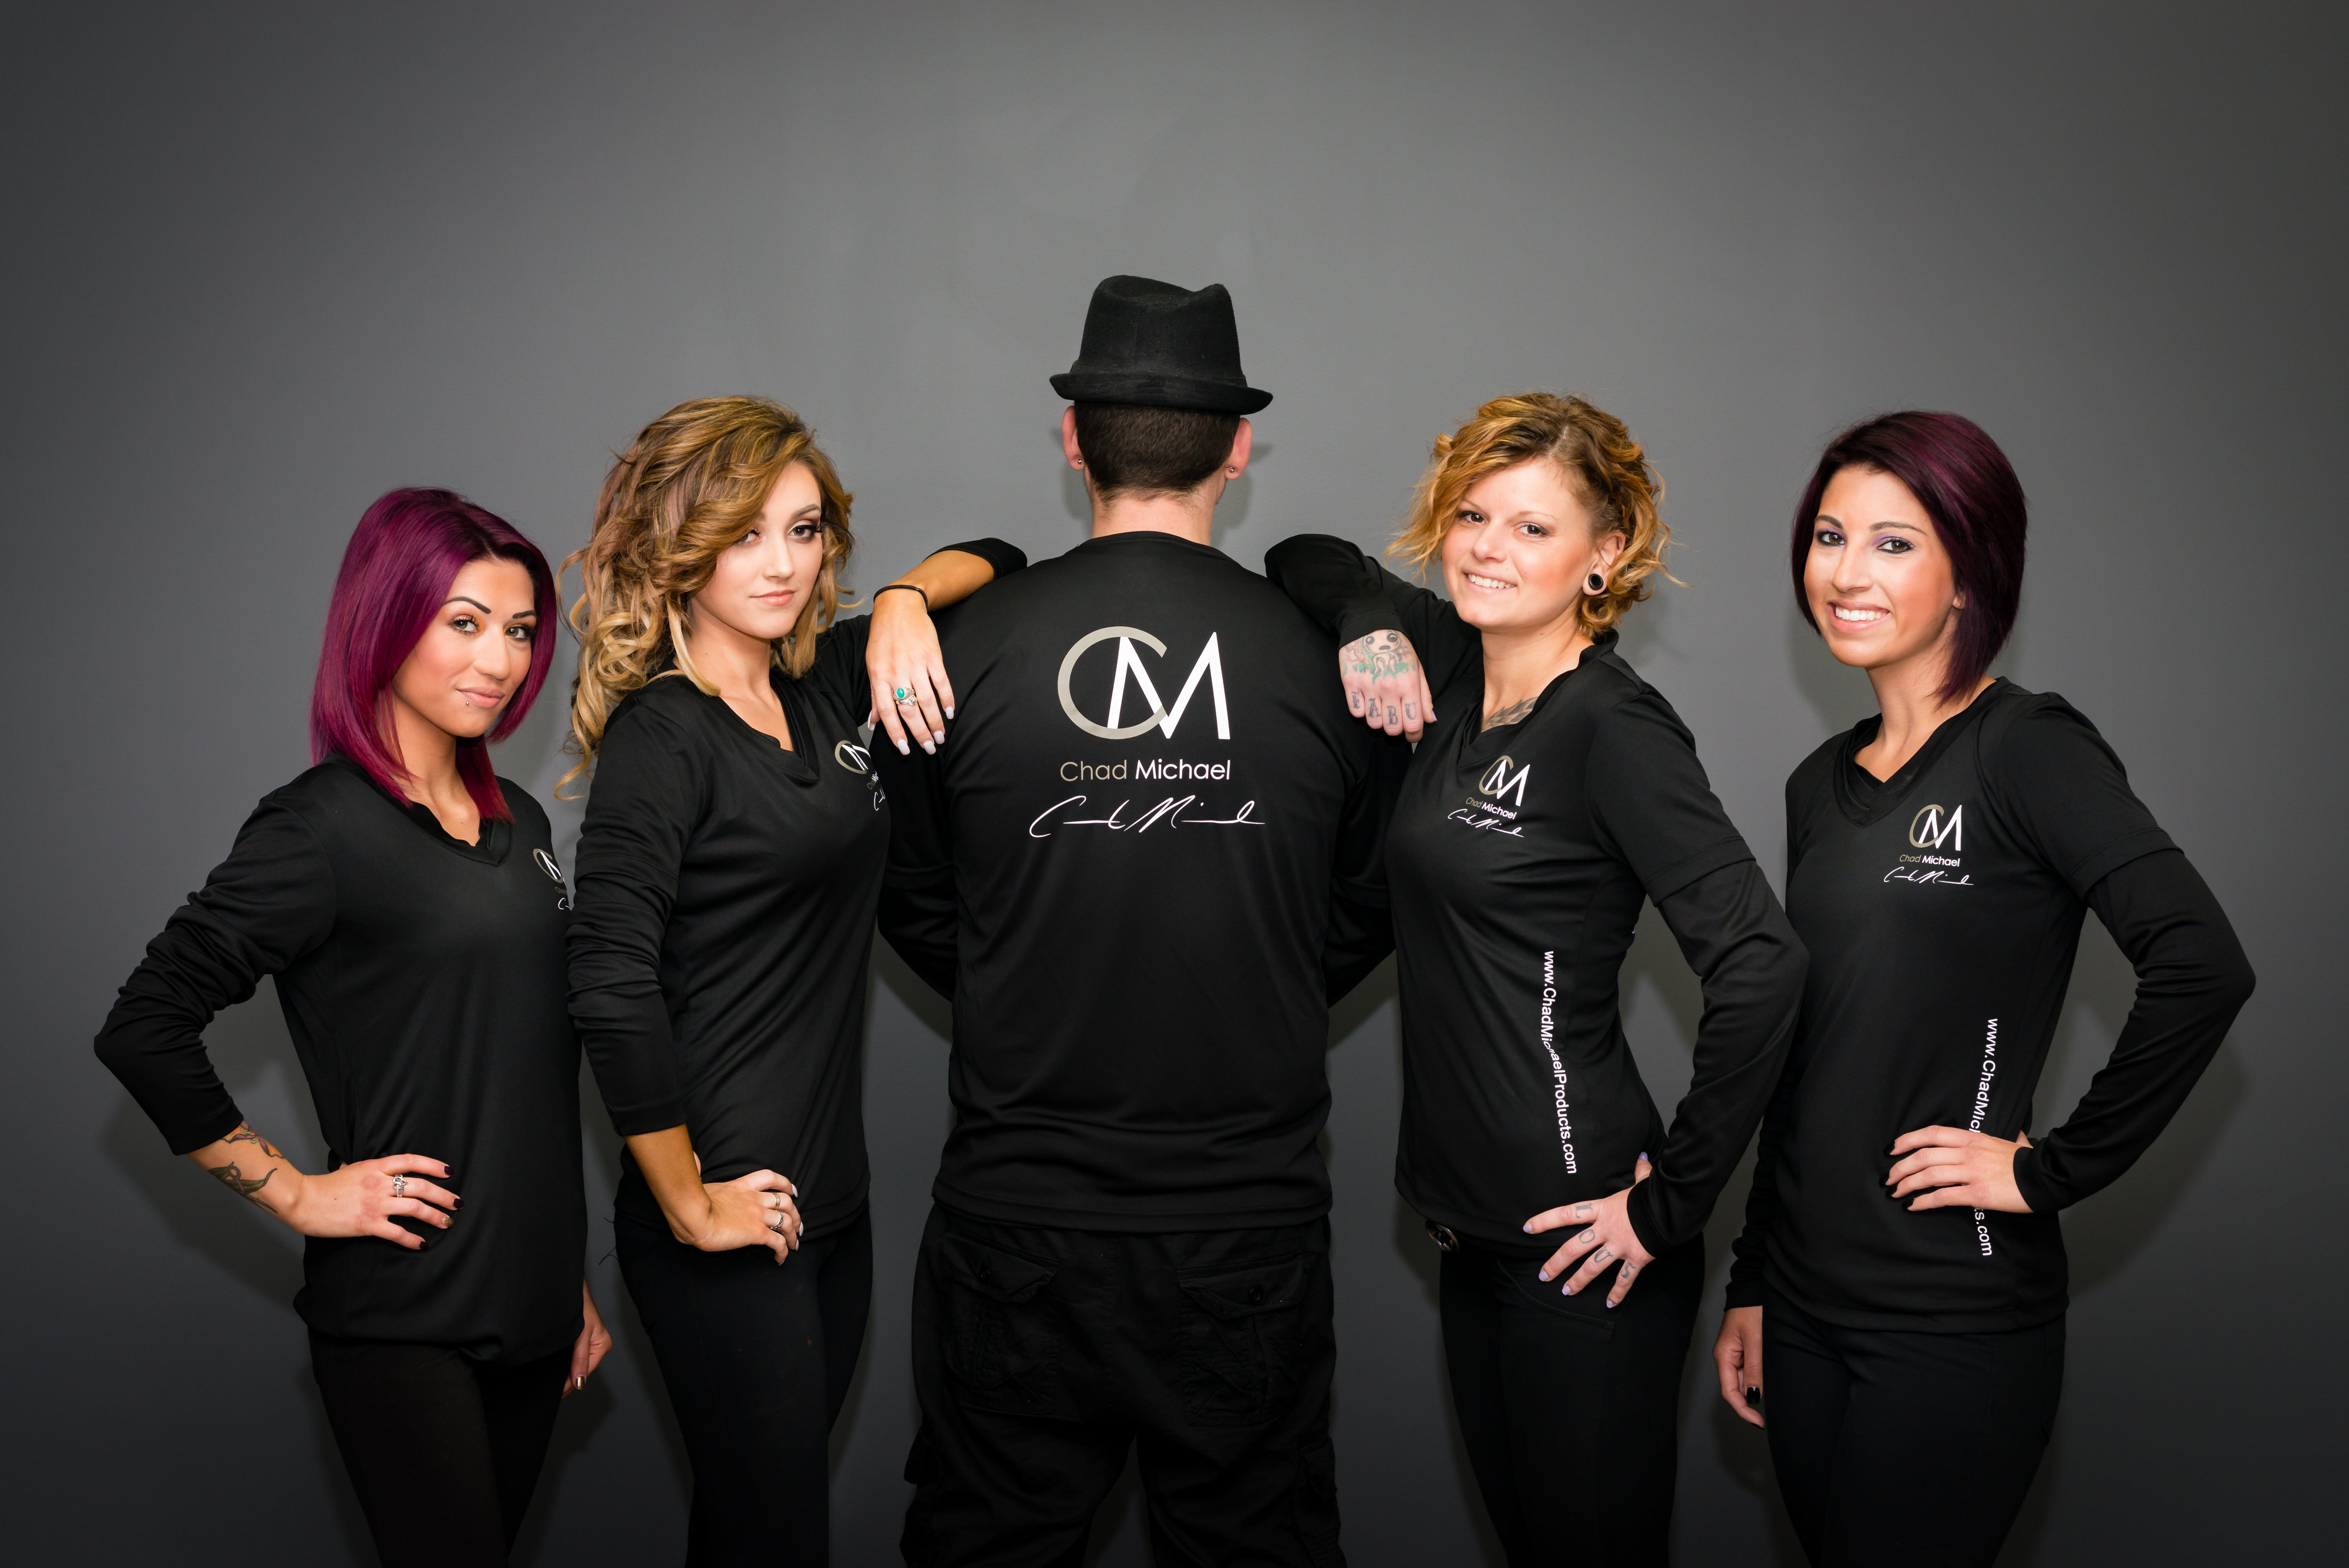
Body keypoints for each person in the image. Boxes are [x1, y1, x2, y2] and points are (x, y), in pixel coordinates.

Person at [870, 275, 1401, 1567]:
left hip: (1015, 1228)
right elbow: (1370, 902)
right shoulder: (1337, 663)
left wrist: (1018, 978)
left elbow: (913, 897)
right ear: (1237, 448)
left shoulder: (947, 651)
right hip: (1243, 1236)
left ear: (1072, 441)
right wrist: (1262, 978)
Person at [1263, 393, 1809, 1567]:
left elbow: (1761, 962)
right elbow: (1303, 555)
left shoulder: (1612, 727)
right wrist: (1369, 626)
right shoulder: (1455, 665)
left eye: (1530, 528)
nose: (1486, 549)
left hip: (1580, 1244)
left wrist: (1669, 1205)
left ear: (1602, 556)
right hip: (1469, 1235)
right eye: (1470, 515)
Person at [1709, 412, 2256, 1566]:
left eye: (1893, 543)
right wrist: (1752, 1279)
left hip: (1948, 1318)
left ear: (1971, 571)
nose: (1845, 573)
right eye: (1828, 537)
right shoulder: (1817, 784)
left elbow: (2199, 962)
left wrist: (2044, 1171)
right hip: (1801, 1308)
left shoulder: (2027, 747)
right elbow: (1808, 1051)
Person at [95, 488, 610, 1568]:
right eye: (464, 622)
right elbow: (145, 1026)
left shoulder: (522, 826)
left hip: (533, 1310)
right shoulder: (319, 828)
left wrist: (563, 1274)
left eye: (520, 631)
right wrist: (296, 1193)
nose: (500, 660)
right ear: (387, 621)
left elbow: (520, 1068)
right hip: (404, 1319)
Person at [561, 394, 1023, 1566]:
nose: (780, 563)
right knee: (776, 1539)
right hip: (724, 1218)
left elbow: (1000, 557)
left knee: (747, 1533)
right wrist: (687, 1203)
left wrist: (904, 599)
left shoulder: (821, 691)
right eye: (743, 532)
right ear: (680, 543)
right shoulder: (662, 735)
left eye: (804, 529)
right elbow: (607, 977)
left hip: (831, 1208)